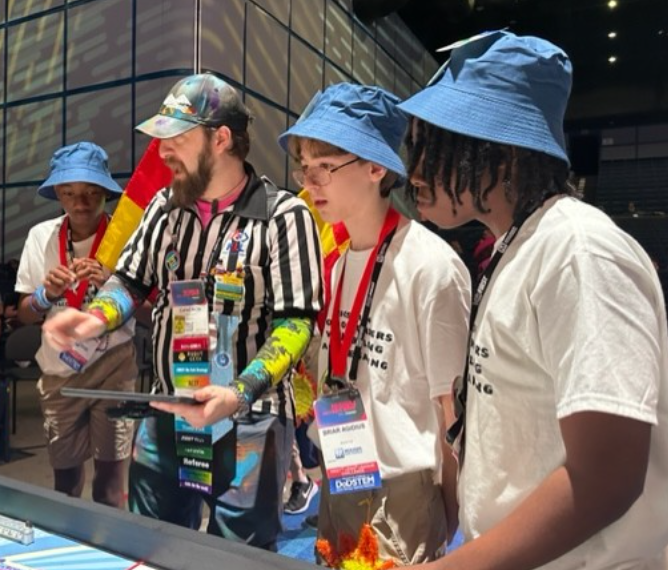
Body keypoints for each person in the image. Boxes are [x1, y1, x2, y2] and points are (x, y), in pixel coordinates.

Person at [399, 31, 668, 570]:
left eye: (441, 145)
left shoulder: (578, 251)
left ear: (505, 148)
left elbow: (608, 478)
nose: (417, 171)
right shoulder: (519, 246)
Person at [43, 73, 323, 550]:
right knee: (154, 546)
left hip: (249, 424)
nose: (163, 150)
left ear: (221, 138)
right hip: (166, 411)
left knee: (238, 556)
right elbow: (130, 282)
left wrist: (238, 392)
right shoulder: (163, 208)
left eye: (177, 137)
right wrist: (93, 319)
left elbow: (296, 324)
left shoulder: (284, 217)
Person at [280, 83, 470, 565]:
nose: (309, 182)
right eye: (305, 166)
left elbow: (453, 416)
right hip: (340, 476)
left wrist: (445, 518)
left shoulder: (431, 267)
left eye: (324, 167)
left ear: (375, 166)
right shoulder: (339, 263)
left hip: (402, 492)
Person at [14, 142, 137, 507]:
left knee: (111, 482)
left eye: (91, 193)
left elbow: (150, 312)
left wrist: (113, 282)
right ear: (57, 193)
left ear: (106, 193)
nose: (80, 202)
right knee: (65, 479)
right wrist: (45, 295)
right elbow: (23, 314)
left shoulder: (125, 238)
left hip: (113, 366)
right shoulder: (42, 236)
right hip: (58, 368)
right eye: (69, 193)